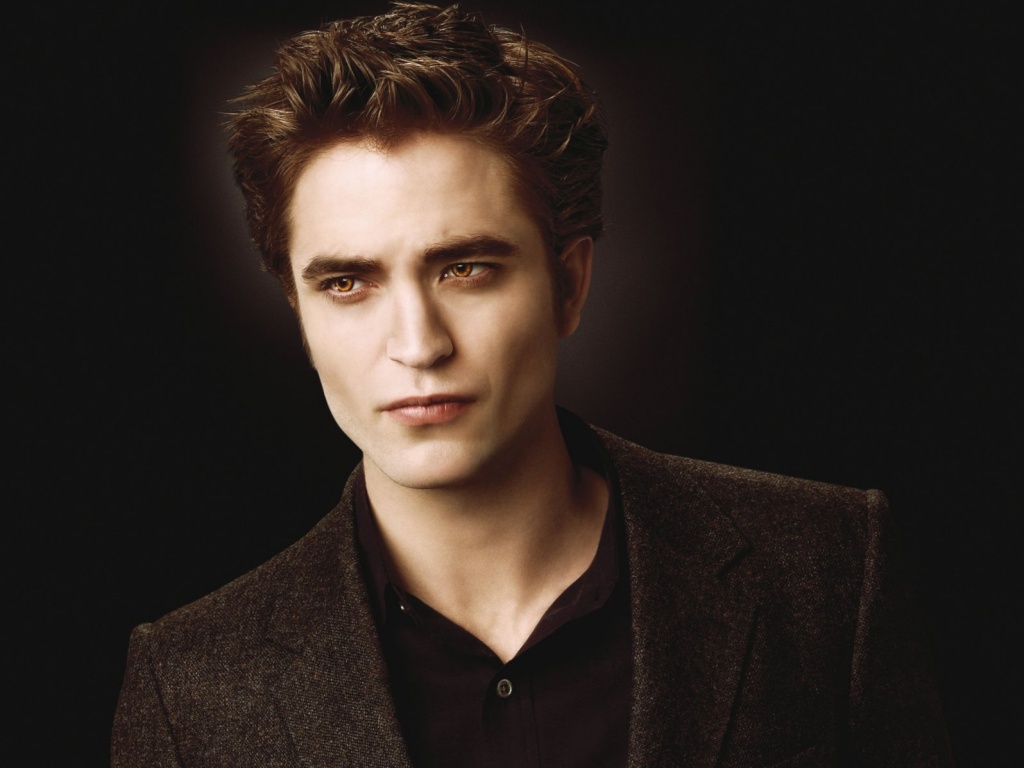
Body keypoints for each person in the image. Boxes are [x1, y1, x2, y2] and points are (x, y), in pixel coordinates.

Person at [112, 4, 952, 765]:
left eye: (466, 268)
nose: (418, 344)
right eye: (347, 283)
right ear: (300, 314)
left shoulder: (830, 570)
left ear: (569, 285)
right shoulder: (187, 686)